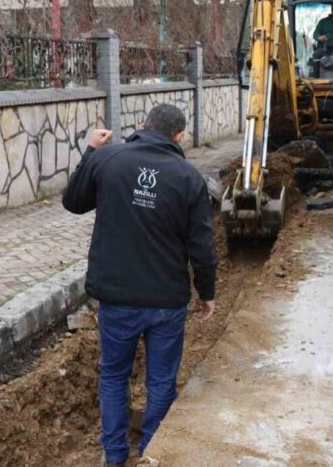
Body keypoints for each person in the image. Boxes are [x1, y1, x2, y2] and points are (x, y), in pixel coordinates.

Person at [62, 104, 218, 467]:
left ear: (143, 125)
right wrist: (207, 293)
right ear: (179, 136)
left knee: (114, 376)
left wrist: (91, 150)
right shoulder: (189, 177)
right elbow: (202, 247)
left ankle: (114, 454)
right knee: (161, 381)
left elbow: (73, 202)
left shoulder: (108, 159)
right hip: (166, 301)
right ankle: (151, 450)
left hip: (117, 298)